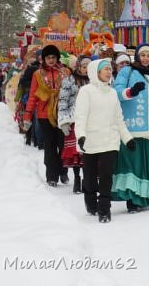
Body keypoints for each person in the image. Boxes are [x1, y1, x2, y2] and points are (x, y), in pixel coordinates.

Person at [74, 59, 135, 223]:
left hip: (110, 140)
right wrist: (80, 135)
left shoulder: (113, 92)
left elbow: (119, 119)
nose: (109, 72)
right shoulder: (86, 91)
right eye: (105, 69)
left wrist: (127, 138)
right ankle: (90, 201)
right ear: (96, 72)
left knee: (106, 175)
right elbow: (80, 117)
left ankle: (104, 209)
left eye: (110, 69)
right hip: (90, 141)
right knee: (90, 177)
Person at [112, 44, 149, 212]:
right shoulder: (127, 71)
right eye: (142, 55)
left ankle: (145, 197)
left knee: (146, 164)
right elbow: (116, 92)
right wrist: (131, 92)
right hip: (132, 126)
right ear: (136, 56)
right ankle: (132, 200)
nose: (146, 58)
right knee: (132, 164)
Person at [23, 45, 69, 187]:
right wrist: (27, 115)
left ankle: (63, 170)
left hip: (62, 114)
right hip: (44, 114)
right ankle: (51, 175)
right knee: (49, 145)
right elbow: (32, 96)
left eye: (53, 57)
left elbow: (72, 93)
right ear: (43, 59)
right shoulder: (38, 74)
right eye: (48, 57)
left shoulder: (65, 72)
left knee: (63, 144)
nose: (50, 60)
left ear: (57, 58)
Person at [57, 54, 91, 193]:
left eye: (89, 67)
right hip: (74, 119)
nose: (87, 69)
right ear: (78, 66)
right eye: (84, 67)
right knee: (77, 151)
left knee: (88, 151)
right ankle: (77, 178)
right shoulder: (70, 80)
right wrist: (64, 121)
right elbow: (63, 101)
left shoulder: (95, 81)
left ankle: (86, 179)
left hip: (91, 120)